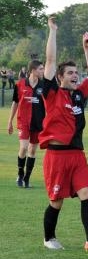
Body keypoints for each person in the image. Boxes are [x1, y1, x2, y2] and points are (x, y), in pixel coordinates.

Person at [40, 18, 88, 251]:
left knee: (87, 193)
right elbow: (50, 59)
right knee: (56, 202)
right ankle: (49, 238)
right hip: (56, 157)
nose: (75, 75)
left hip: (77, 155)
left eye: (76, 72)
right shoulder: (51, 93)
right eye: (70, 73)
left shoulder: (79, 94)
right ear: (59, 77)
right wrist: (53, 31)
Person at [7, 60, 46, 188]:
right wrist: (10, 121)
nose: (43, 71)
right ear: (33, 70)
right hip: (23, 121)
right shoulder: (20, 84)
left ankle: (27, 179)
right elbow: (15, 103)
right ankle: (20, 174)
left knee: (32, 150)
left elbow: (48, 105)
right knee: (23, 147)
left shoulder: (44, 85)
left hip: (38, 123)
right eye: (41, 69)